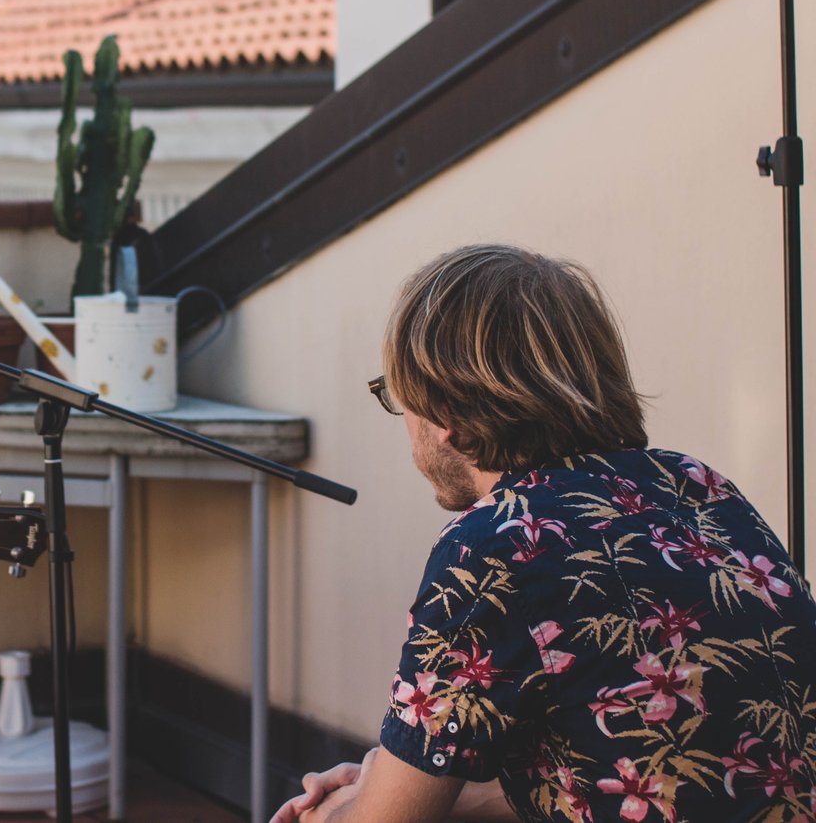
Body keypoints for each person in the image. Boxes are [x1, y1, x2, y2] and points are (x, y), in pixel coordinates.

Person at [273, 245, 816, 823]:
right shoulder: (695, 485)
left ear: (443, 409)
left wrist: (331, 813)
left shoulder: (492, 545)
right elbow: (643, 774)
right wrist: (385, 786)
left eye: (396, 395)